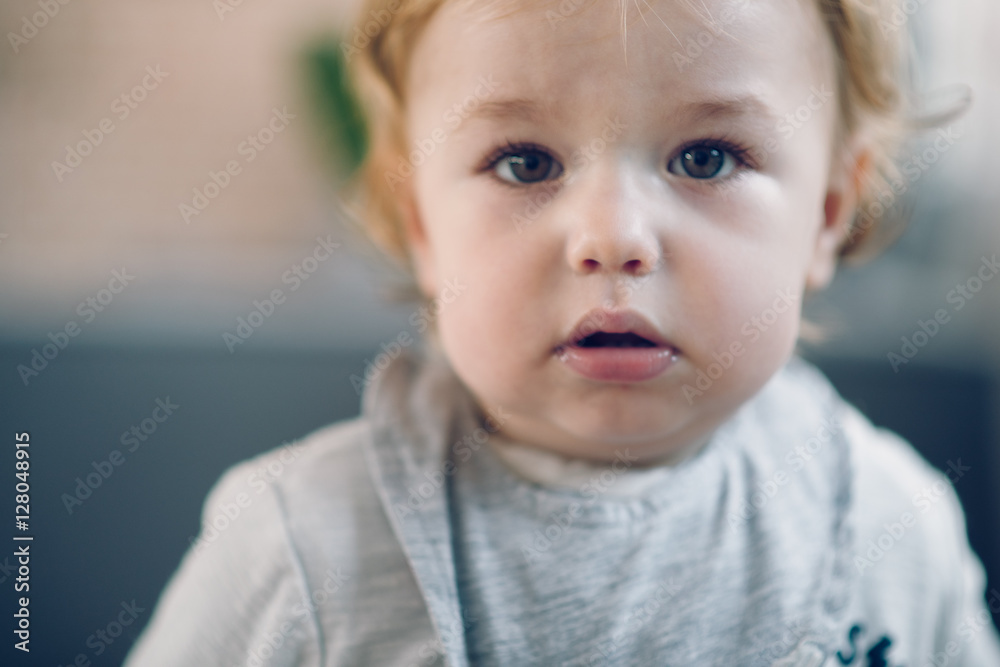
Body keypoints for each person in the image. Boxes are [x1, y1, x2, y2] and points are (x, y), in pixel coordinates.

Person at [125, 0, 1000, 664]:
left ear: (828, 215)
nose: (613, 236)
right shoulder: (300, 547)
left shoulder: (891, 524)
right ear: (421, 223)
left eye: (706, 158)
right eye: (525, 163)